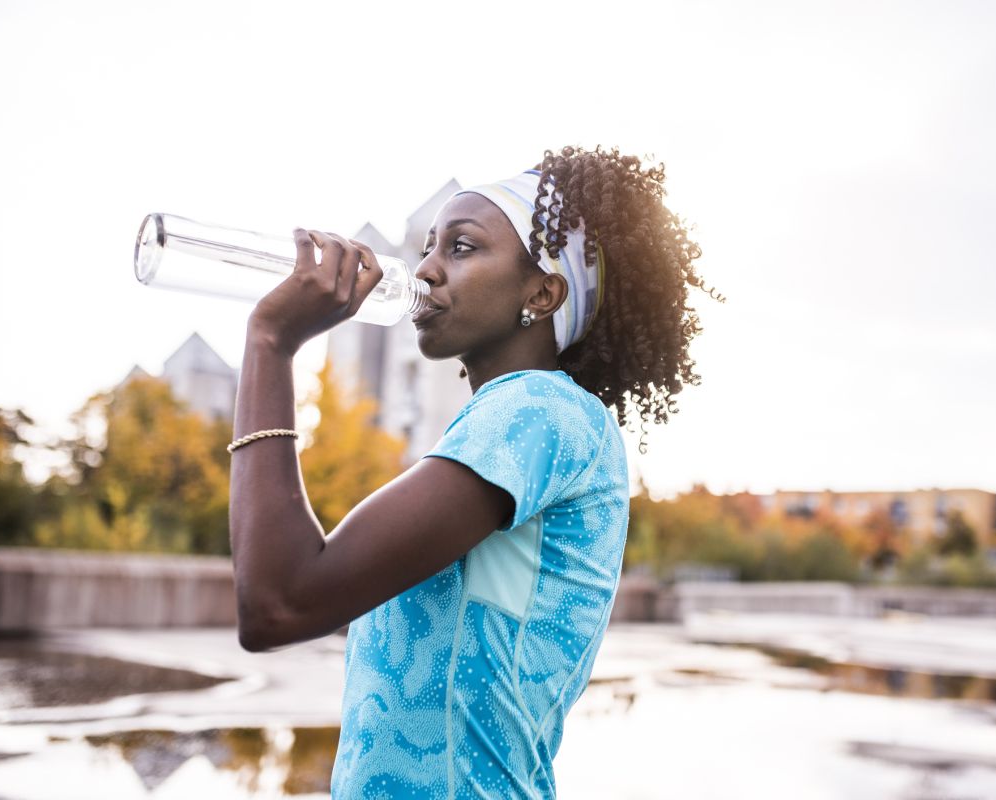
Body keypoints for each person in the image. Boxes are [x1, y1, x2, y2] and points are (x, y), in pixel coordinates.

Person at [227, 145, 719, 798]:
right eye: (428, 246)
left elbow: (280, 601)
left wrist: (270, 343)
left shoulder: (539, 411)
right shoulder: (521, 425)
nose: (426, 270)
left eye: (461, 248)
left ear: (542, 293)